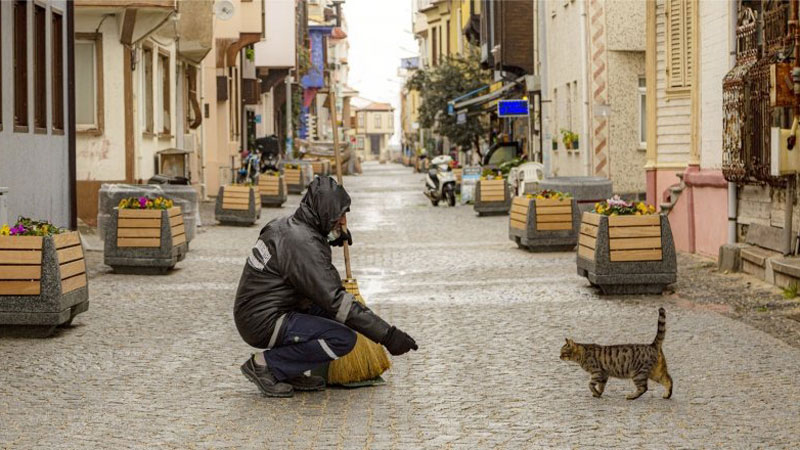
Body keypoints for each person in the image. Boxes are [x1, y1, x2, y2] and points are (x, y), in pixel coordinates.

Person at [234, 177, 418, 397]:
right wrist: (388, 335)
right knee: (341, 337)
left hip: (263, 310)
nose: (342, 221)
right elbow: (337, 301)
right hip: (263, 321)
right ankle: (265, 365)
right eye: (338, 215)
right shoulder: (302, 244)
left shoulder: (288, 227)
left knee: (332, 319)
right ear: (323, 212)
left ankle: (286, 369)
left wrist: (327, 239)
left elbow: (296, 263)